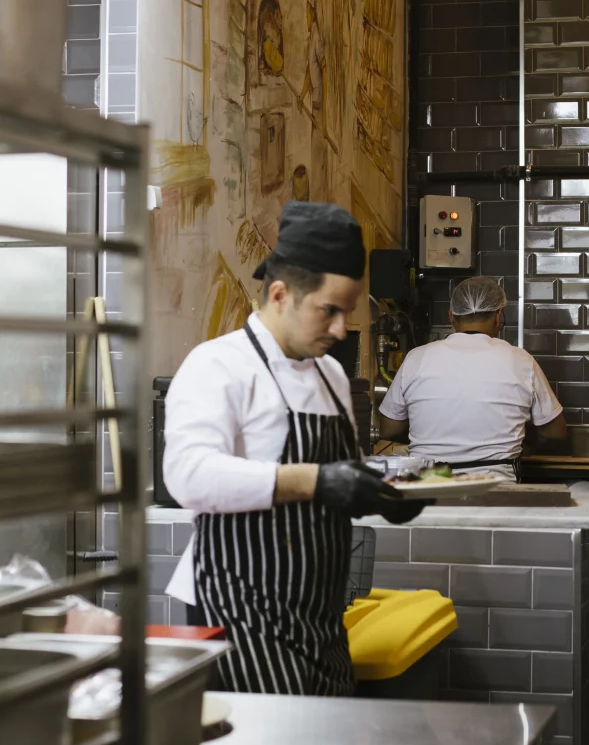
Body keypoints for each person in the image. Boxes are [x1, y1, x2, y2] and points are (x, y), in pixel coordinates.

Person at [163, 201, 424, 696]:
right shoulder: (219, 365)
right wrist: (316, 481)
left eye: (347, 311)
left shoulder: (329, 374)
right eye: (329, 310)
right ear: (280, 293)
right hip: (238, 607)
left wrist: (383, 494)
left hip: (321, 610)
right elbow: (188, 475)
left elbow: (343, 473)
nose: (340, 329)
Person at [378, 276, 567, 479]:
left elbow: (389, 429)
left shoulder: (416, 358)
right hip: (497, 488)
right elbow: (555, 433)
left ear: (451, 316)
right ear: (498, 316)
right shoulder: (521, 360)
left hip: (428, 486)